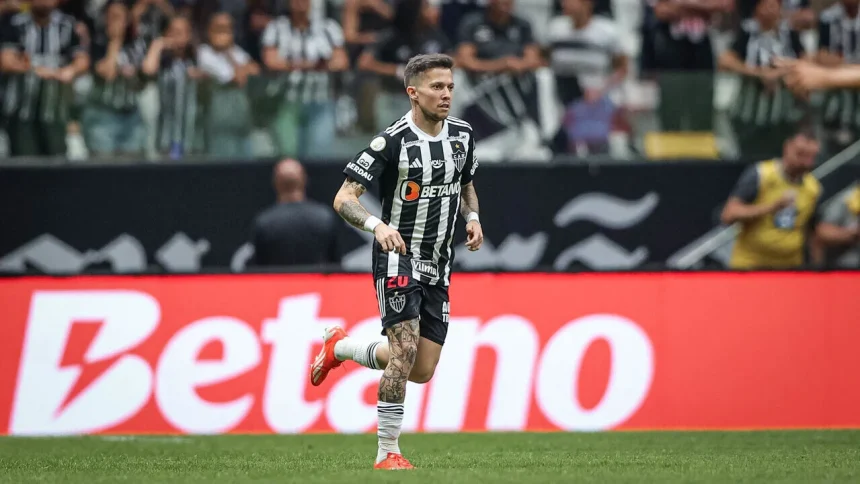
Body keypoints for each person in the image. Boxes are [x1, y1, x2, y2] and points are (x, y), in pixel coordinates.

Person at [317, 53, 484, 470]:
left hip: (439, 264)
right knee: (404, 348)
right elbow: (343, 198)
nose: (446, 94)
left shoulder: (462, 136)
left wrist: (473, 217)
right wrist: (377, 226)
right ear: (413, 93)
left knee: (421, 367)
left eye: (449, 86)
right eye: (436, 87)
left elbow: (465, 184)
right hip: (398, 260)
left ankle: (342, 346)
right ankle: (387, 452)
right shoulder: (391, 142)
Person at [720, 124, 823, 269]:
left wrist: (817, 269)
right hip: (750, 265)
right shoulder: (761, 175)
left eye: (810, 157)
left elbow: (813, 233)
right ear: (787, 147)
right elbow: (729, 214)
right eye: (800, 154)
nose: (804, 162)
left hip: (790, 267)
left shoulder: (813, 188)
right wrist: (771, 207)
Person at [249, 158, 343, 267]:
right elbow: (336, 265)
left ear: (276, 182)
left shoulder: (264, 222)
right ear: (304, 180)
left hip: (278, 283)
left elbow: (258, 269)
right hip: (316, 283)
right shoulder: (324, 218)